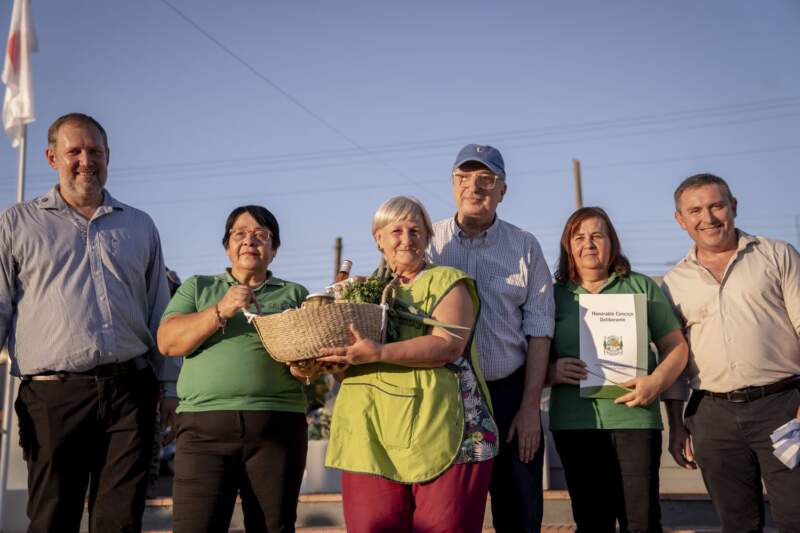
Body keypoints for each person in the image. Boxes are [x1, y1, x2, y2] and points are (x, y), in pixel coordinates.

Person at [0, 112, 180, 532]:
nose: (86, 160)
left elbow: (160, 311)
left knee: (120, 521)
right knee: (52, 518)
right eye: (74, 151)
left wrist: (170, 387)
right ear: (52, 158)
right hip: (53, 398)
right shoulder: (16, 224)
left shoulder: (139, 225)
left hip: (131, 394)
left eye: (95, 151)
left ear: (108, 156)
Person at [319, 196, 498, 533]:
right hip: (369, 430)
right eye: (396, 231)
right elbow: (347, 361)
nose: (406, 239)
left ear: (428, 237)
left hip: (441, 425)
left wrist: (378, 353)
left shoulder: (448, 281)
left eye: (415, 230)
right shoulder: (360, 292)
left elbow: (448, 345)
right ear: (379, 239)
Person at [157, 205, 313, 533]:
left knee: (273, 527)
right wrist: (222, 308)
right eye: (239, 234)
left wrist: (304, 368)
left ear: (274, 248)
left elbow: (307, 366)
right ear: (227, 246)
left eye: (260, 235)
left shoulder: (295, 294)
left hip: (277, 427)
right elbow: (168, 342)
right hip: (203, 432)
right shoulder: (197, 288)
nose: (249, 241)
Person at [662, 174, 800, 532]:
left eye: (716, 206)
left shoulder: (777, 254)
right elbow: (674, 361)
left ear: (733, 206)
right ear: (680, 220)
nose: (708, 218)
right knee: (737, 524)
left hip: (784, 408)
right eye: (695, 211)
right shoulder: (674, 282)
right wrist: (676, 426)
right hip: (713, 417)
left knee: (796, 516)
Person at [427, 144, 553, 532]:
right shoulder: (427, 243)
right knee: (449, 515)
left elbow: (540, 330)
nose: (474, 186)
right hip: (444, 396)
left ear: (503, 190)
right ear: (452, 185)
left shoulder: (525, 246)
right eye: (464, 177)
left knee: (520, 515)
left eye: (486, 178)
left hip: (509, 397)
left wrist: (530, 409)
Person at [547, 207, 688, 533]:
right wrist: (551, 373)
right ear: (568, 246)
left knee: (642, 522)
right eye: (579, 237)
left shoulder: (641, 286)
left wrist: (656, 382)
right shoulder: (552, 296)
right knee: (591, 523)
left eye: (597, 235)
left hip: (634, 420)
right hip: (575, 423)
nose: (588, 244)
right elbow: (532, 357)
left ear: (612, 242)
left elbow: (676, 347)